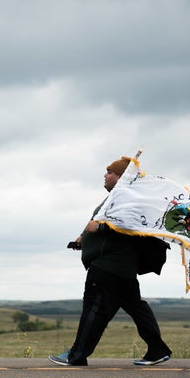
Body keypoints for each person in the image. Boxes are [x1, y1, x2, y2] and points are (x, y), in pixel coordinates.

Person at [49, 156, 172, 366]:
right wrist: (83, 238)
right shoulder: (121, 198)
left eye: (110, 172)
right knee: (136, 308)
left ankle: (76, 355)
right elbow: (110, 221)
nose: (105, 175)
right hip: (122, 268)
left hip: (108, 267)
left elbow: (128, 226)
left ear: (121, 177)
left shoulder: (126, 199)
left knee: (93, 310)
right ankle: (157, 350)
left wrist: (98, 229)